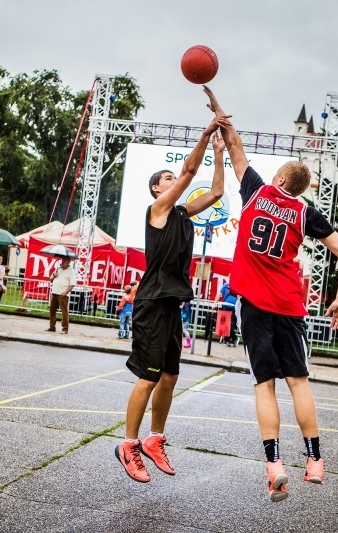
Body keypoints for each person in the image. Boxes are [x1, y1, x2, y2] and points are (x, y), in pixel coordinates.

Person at [206, 86, 338, 501]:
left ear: (277, 180)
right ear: (302, 188)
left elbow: (234, 144)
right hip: (290, 306)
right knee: (298, 382)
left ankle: (274, 465)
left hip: (254, 304)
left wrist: (220, 111)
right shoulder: (306, 212)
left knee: (264, 385)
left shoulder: (256, 190)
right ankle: (315, 461)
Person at [115, 110, 231, 484]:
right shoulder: (158, 209)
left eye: (172, 178)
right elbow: (188, 175)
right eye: (166, 178)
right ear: (156, 189)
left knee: (169, 377)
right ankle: (127, 444)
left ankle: (154, 439)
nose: (174, 180)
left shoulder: (182, 212)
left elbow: (215, 193)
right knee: (148, 378)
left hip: (171, 304)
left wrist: (218, 153)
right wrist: (206, 133)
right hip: (151, 302)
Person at [47, 255, 76, 334]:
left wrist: (65, 292)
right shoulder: (58, 269)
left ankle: (65, 328)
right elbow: (50, 280)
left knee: (64, 312)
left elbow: (72, 284)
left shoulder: (71, 271)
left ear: (68, 262)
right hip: (55, 292)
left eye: (64, 261)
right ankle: (52, 326)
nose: (62, 262)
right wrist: (53, 276)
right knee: (52, 310)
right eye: (62, 260)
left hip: (63, 294)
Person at [213, 280, 239, 347]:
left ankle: (227, 340)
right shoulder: (226, 285)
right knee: (226, 324)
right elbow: (219, 294)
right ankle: (233, 338)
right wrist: (214, 303)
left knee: (231, 324)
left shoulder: (237, 286)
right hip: (226, 306)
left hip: (234, 308)